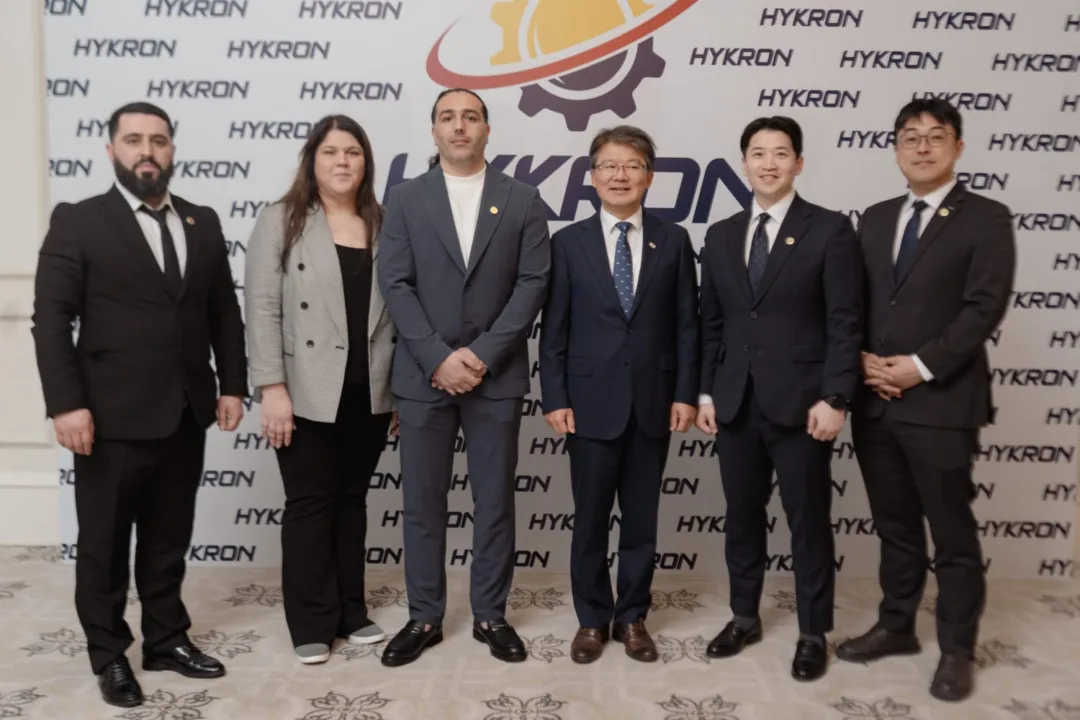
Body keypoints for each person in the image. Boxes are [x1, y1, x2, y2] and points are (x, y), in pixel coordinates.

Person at [30, 102, 247, 708]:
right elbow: (51, 320)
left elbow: (222, 312)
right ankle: (108, 655)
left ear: (172, 149)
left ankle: (166, 640)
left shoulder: (202, 220)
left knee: (167, 539)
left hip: (185, 411)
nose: (146, 151)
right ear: (111, 151)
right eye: (133, 140)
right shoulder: (79, 220)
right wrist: (65, 405)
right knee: (103, 547)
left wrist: (232, 384)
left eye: (158, 140)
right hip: (108, 418)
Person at [835, 98, 1016, 703]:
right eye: (910, 137)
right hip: (876, 400)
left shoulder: (986, 218)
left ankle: (957, 649)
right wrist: (862, 360)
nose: (921, 146)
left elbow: (984, 308)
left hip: (941, 402)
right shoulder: (876, 218)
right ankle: (896, 626)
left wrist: (919, 367)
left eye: (935, 137)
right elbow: (856, 302)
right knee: (895, 526)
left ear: (957, 147)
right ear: (895, 148)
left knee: (952, 533)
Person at [376, 88, 551, 667]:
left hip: (494, 378)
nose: (459, 126)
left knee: (495, 501)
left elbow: (532, 283)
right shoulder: (405, 198)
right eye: (448, 118)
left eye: (470, 117)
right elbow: (395, 282)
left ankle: (490, 615)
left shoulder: (523, 199)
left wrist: (480, 356)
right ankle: (424, 616)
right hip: (423, 377)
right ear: (434, 131)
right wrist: (437, 358)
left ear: (486, 129)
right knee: (422, 503)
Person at [696, 116, 862, 682]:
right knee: (742, 518)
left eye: (781, 153)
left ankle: (813, 631)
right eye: (759, 153)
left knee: (808, 521)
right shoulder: (720, 234)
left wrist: (835, 395)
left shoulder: (830, 230)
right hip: (735, 403)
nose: (769, 163)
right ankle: (744, 617)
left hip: (803, 404)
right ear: (743, 162)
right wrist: (706, 391)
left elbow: (845, 321)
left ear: (799, 162)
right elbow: (712, 323)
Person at [538, 125, 698, 664]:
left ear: (649, 177)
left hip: (653, 402)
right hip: (588, 405)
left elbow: (687, 326)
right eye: (609, 165)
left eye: (632, 165)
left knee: (641, 522)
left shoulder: (674, 240)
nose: (620, 175)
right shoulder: (568, 243)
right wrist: (554, 397)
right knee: (588, 520)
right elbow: (554, 331)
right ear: (592, 177)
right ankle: (591, 619)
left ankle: (632, 617)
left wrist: (685, 393)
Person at [244, 115, 398, 665]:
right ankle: (310, 622)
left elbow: (399, 312)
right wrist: (272, 388)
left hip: (369, 389)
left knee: (352, 502)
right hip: (305, 388)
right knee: (310, 503)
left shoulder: (383, 221)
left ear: (366, 162)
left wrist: (397, 392)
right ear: (312, 160)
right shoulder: (282, 219)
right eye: (330, 151)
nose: (342, 161)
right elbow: (261, 307)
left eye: (352, 152)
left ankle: (350, 611)